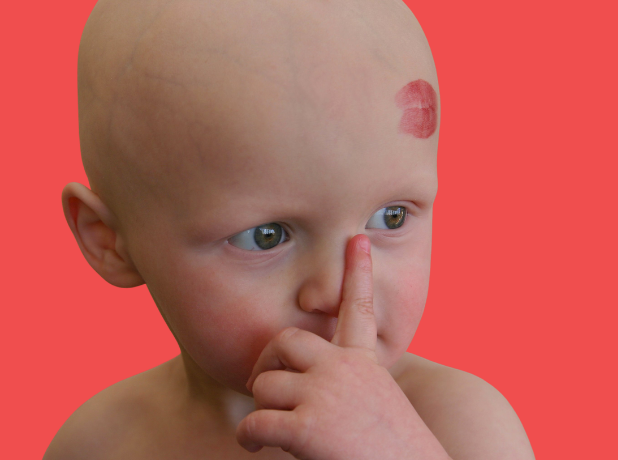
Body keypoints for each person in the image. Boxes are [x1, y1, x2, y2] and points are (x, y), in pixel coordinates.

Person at [45, 0, 535, 458]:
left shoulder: (459, 428)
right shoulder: (100, 443)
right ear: (108, 240)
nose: (338, 288)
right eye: (267, 236)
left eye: (391, 217)